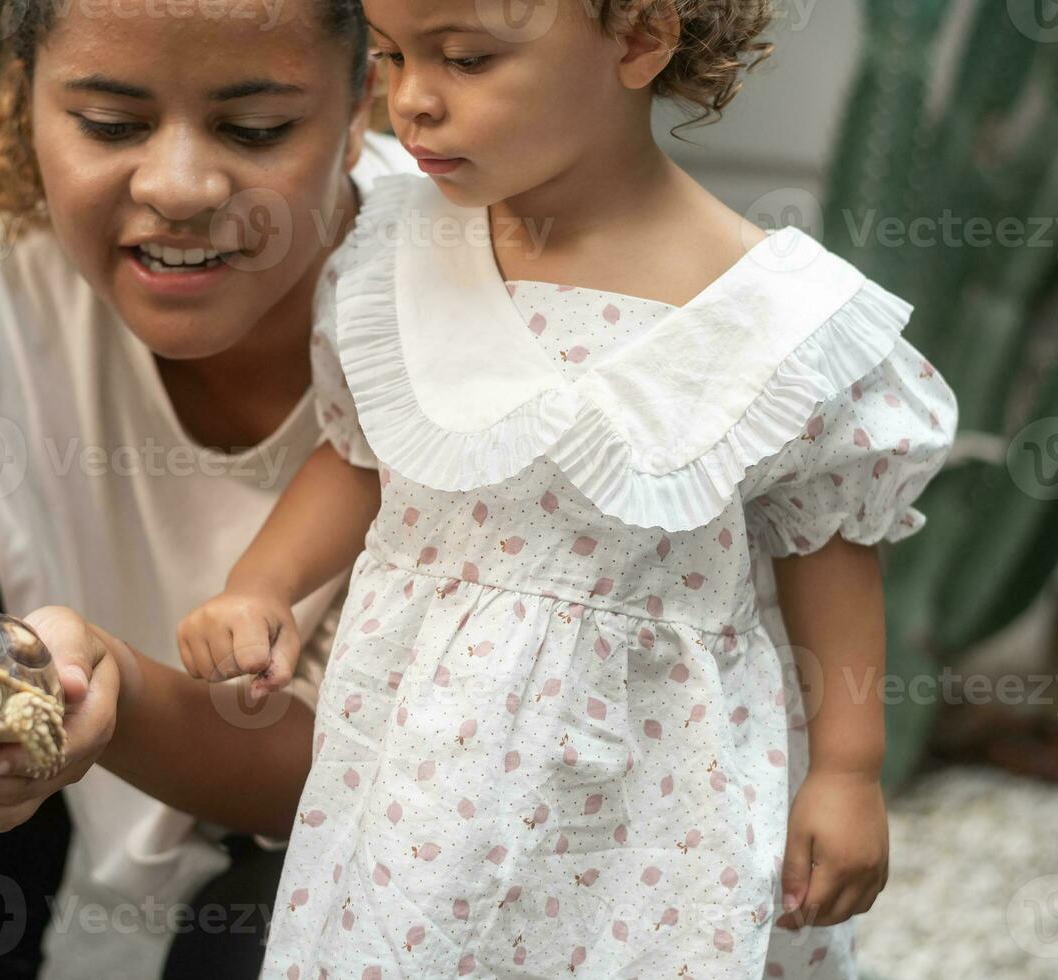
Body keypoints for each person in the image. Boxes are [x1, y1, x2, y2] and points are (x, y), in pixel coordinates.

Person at [176, 0, 959, 976]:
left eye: (464, 57)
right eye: (390, 56)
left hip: (656, 784)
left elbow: (829, 543)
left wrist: (846, 771)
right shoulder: (397, 254)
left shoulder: (779, 320)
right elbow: (362, 456)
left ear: (637, 39)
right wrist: (260, 584)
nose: (411, 101)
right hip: (426, 763)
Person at [0, 1, 414, 976]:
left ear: (360, 108)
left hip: (393, 829)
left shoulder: (467, 307)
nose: (179, 187)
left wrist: (116, 694)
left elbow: (385, 778)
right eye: (111, 123)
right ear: (25, 103)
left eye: (255, 129)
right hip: (18, 786)